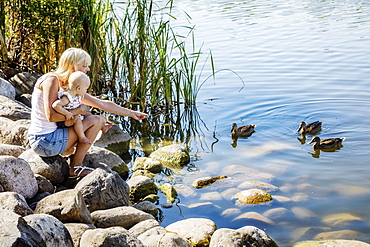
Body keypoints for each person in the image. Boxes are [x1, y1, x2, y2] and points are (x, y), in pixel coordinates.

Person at [28, 47, 148, 177]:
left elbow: (101, 103)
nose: (88, 69)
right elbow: (51, 116)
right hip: (45, 141)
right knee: (95, 120)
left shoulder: (72, 87)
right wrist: (77, 111)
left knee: (89, 115)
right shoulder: (52, 80)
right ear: (73, 67)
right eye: (85, 66)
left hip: (51, 138)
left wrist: (131, 113)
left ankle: (72, 149)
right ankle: (76, 167)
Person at [52, 71, 112, 145]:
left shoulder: (77, 95)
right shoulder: (67, 97)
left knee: (89, 114)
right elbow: (55, 105)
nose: (86, 91)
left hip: (75, 115)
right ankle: (82, 137)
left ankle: (102, 127)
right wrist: (66, 113)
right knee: (77, 120)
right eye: (85, 89)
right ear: (79, 88)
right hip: (64, 121)